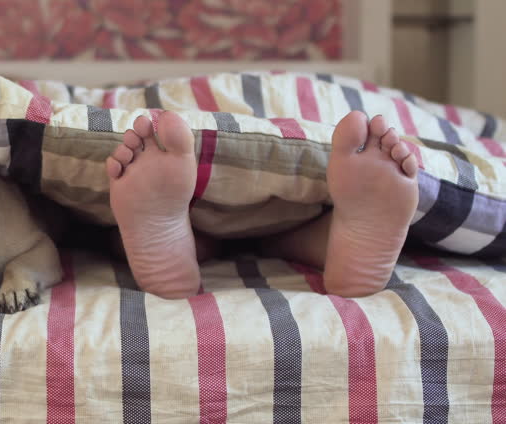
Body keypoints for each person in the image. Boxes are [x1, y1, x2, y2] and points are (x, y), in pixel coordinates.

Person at [106, 110, 419, 298]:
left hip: (194, 212)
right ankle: (343, 234)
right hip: (294, 216)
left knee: (111, 236)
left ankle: (172, 239)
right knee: (297, 237)